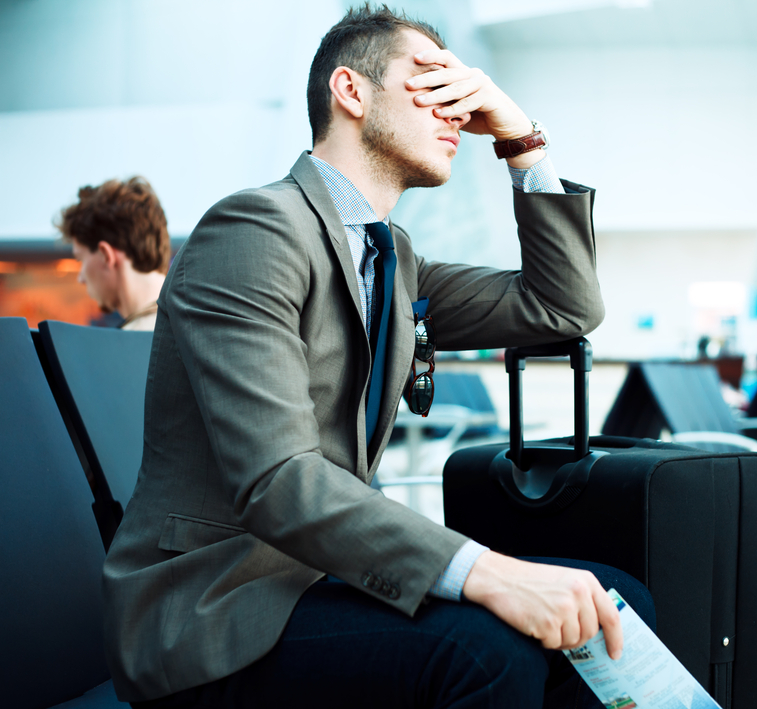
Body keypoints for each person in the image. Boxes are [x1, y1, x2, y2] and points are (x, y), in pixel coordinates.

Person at [103, 6, 653, 708]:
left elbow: (563, 308)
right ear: (351, 92)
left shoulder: (393, 260)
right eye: (434, 84)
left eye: (465, 90)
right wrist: (489, 572)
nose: (458, 109)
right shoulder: (253, 229)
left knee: (613, 608)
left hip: (326, 578)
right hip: (220, 609)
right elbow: (277, 477)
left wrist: (523, 140)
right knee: (486, 652)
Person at [56, 176, 171, 330]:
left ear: (105, 255)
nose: (80, 278)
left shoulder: (130, 344)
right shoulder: (195, 324)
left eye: (81, 260)